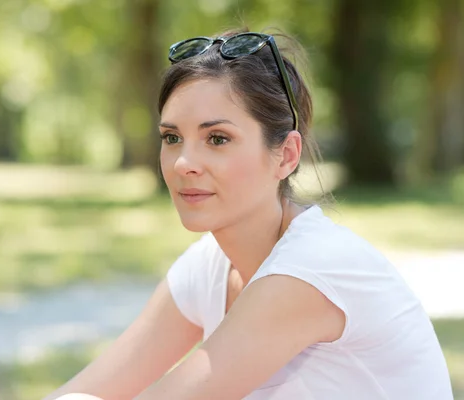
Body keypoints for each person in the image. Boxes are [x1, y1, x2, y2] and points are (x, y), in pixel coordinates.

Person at [44, 28, 454, 400]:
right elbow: (92, 387)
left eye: (217, 138)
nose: (184, 162)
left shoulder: (312, 270)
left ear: (286, 155)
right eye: (172, 137)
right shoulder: (209, 266)